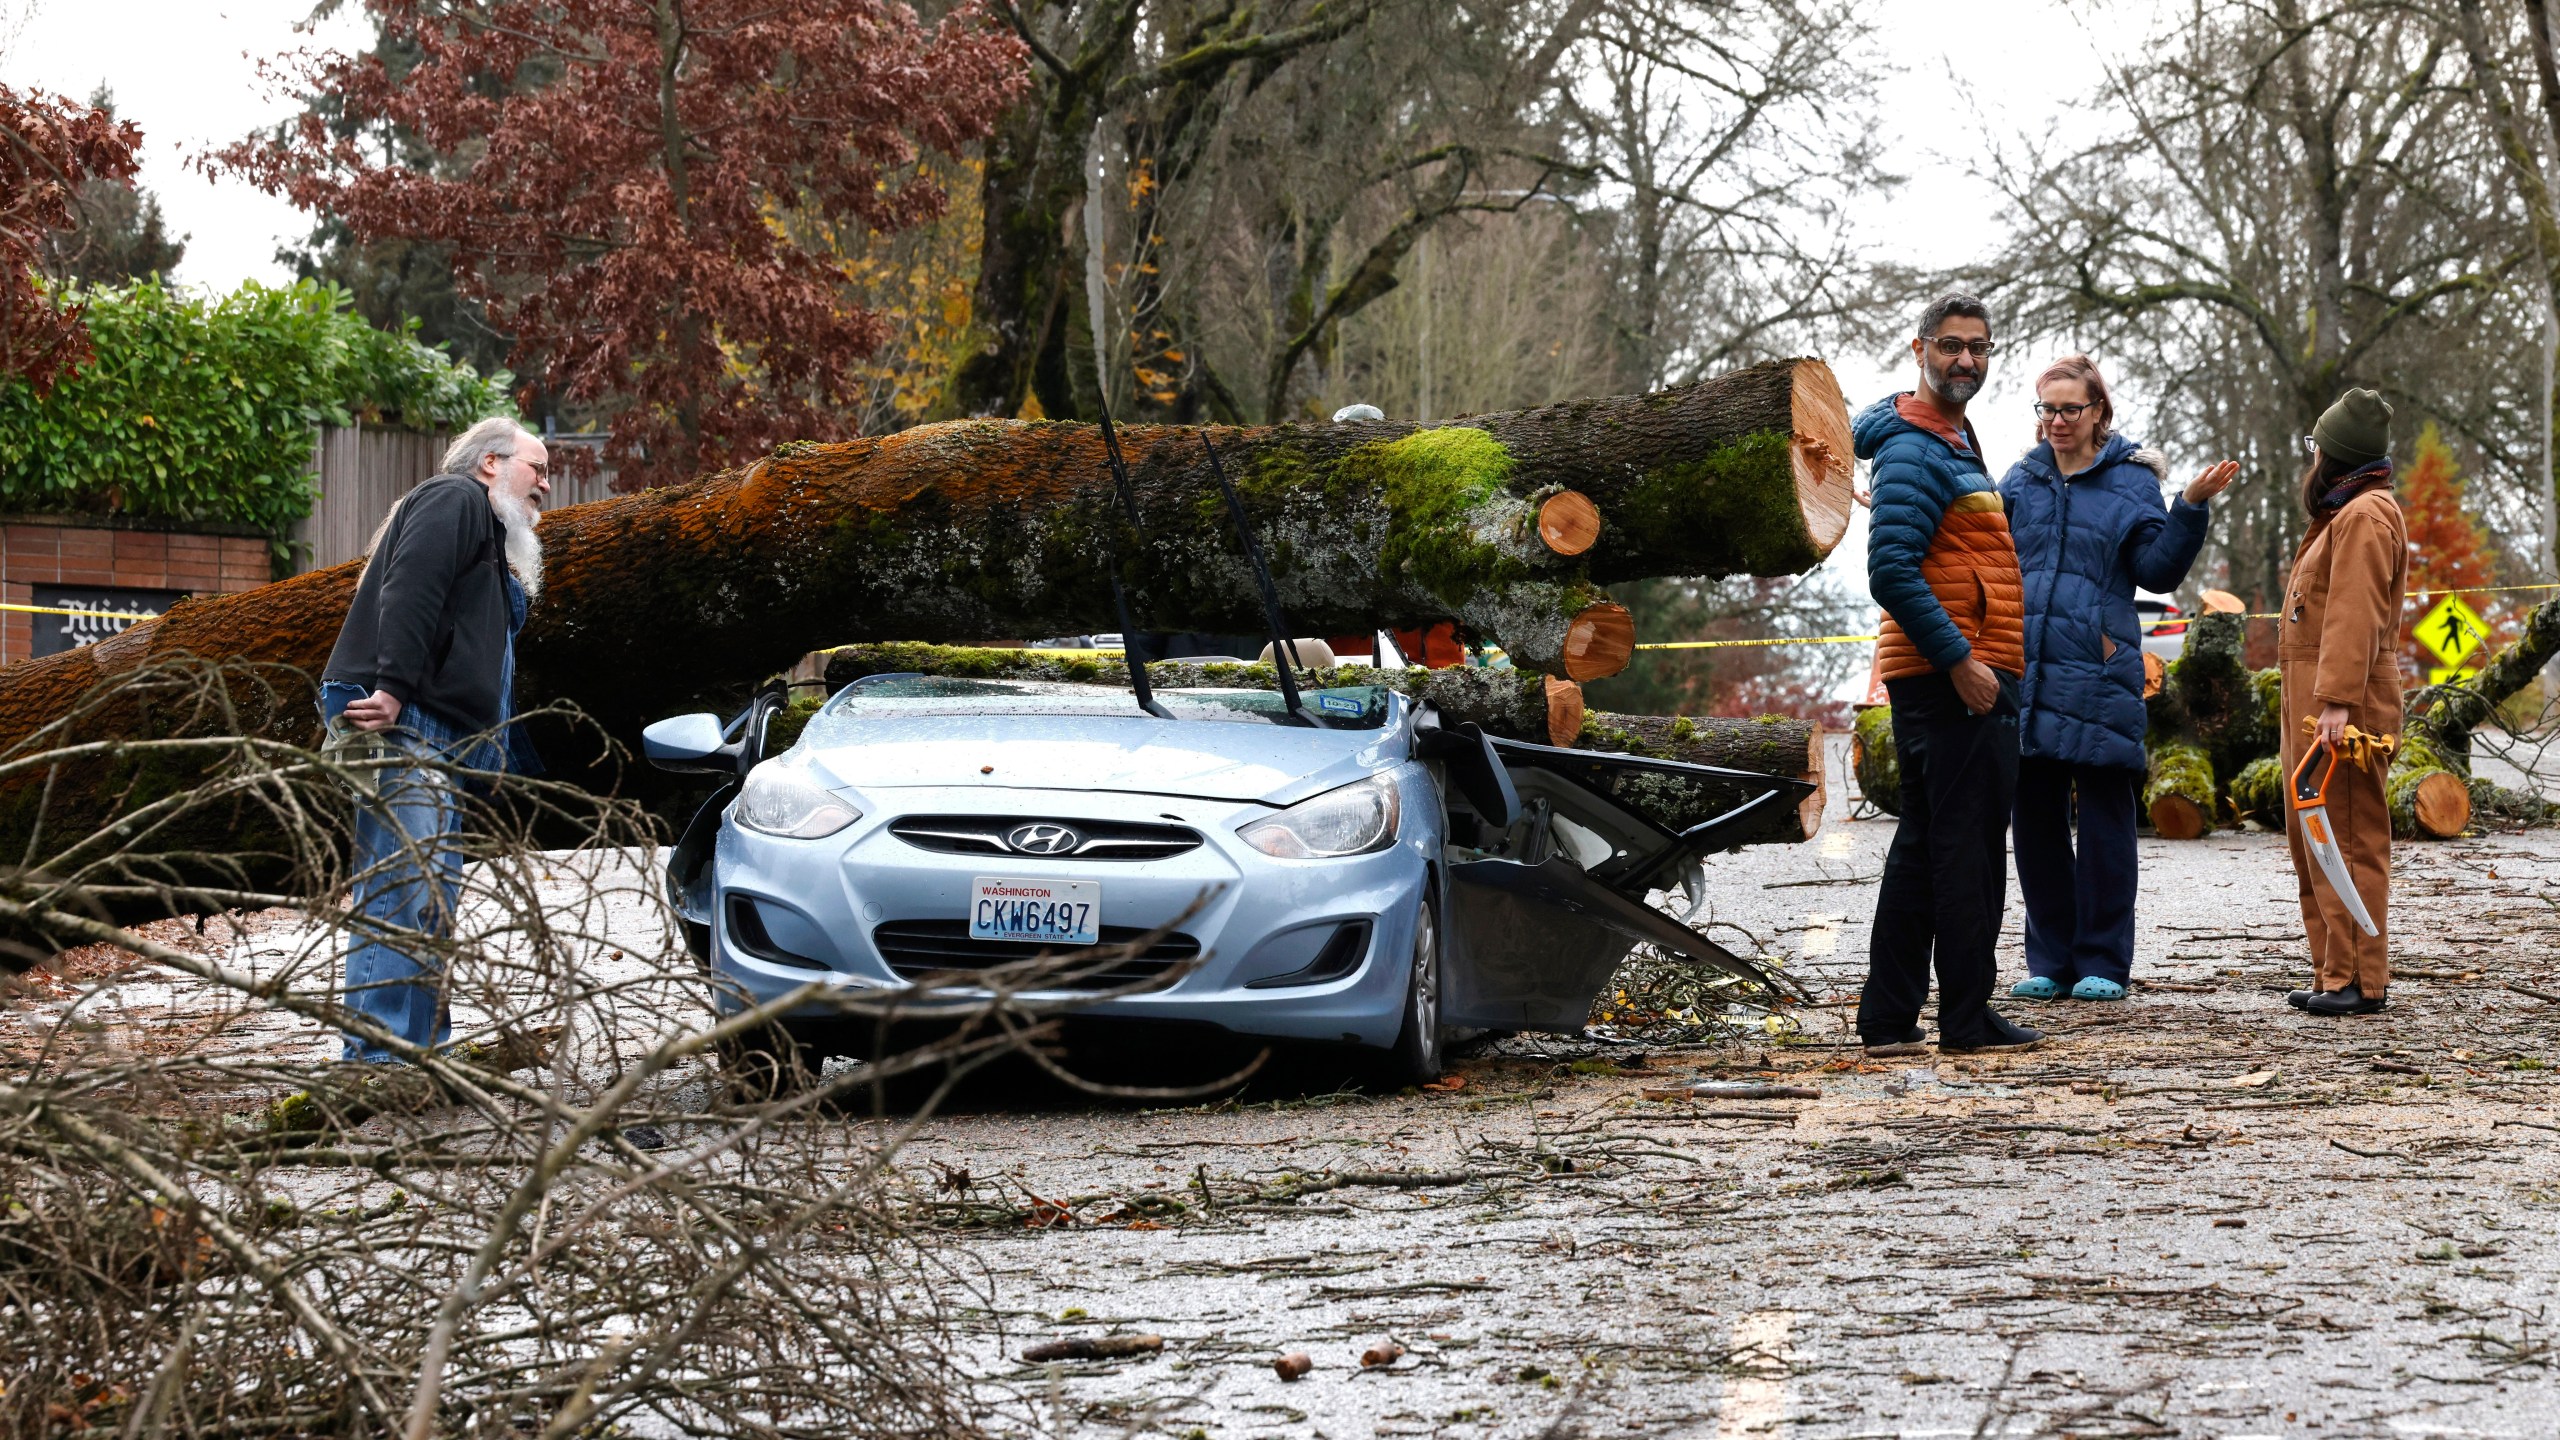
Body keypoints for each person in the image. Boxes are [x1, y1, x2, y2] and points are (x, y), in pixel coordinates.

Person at [2000, 356, 2239, 1002]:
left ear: (2099, 412)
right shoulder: (2019, 482)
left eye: (2069, 409)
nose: (2055, 422)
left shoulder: (2131, 484)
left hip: (2101, 671)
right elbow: (1985, 557)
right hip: (2030, 673)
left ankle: (2103, 958)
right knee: (2037, 822)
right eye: (2046, 409)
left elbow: (2158, 571)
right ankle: (2050, 959)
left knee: (2106, 823)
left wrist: (2187, 507)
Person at [319, 417, 550, 1064]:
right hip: (406, 721)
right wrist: (392, 688)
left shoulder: (488, 538)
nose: (547, 484)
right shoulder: (454, 499)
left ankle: (419, 1055)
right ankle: (375, 1059)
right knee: (401, 892)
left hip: (446, 738)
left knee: (434, 905)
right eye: (538, 468)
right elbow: (410, 589)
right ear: (489, 465)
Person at [1854, 294, 2044, 1055]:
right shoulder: (1916, 447)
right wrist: (1963, 663)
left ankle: (1889, 1018)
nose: (1967, 360)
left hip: (1955, 668)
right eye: (1952, 346)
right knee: (1966, 851)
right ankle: (1967, 1017)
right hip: (1954, 674)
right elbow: (1891, 570)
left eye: (1981, 348)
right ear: (1920, 348)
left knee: (1927, 847)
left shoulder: (1949, 436)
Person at [2278, 390, 2405, 1016]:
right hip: (2315, 697)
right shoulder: (2342, 512)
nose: (2314, 455)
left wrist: (2336, 702)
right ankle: (2334, 972)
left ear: (2336, 453)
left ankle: (2360, 977)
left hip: (2340, 707)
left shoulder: (2364, 517)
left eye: (2318, 444)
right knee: (2313, 835)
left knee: (2347, 835)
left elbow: (2354, 614)